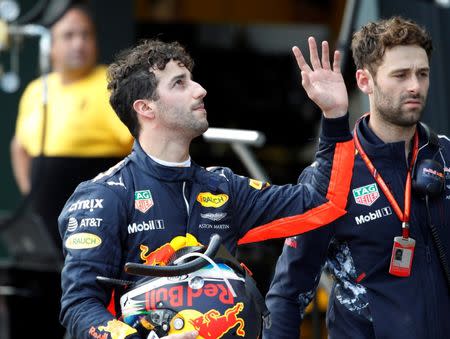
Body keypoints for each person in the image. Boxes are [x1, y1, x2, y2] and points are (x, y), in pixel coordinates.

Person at [57, 37, 354, 339]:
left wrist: (334, 116)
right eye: (179, 83)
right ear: (146, 108)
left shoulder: (222, 188)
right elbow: (79, 305)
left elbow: (322, 202)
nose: (200, 90)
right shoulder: (104, 196)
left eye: (192, 80)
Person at [264, 16, 450, 339]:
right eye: (401, 75)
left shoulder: (446, 157)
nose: (415, 86)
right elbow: (288, 293)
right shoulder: (331, 175)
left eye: (422, 74)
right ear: (365, 81)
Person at [8, 4, 132, 339]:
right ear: (51, 45)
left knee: (92, 305)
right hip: (47, 223)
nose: (78, 43)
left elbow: (140, 144)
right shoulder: (38, 89)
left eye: (85, 35)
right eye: (69, 35)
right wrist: (31, 197)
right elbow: (19, 146)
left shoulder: (111, 84)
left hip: (98, 221)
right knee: (41, 305)